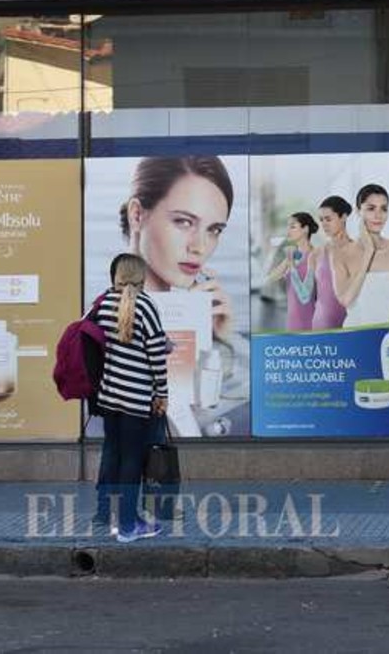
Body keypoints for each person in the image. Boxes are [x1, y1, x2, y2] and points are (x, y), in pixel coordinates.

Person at [118, 156, 246, 431]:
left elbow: (208, 420)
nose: (199, 246)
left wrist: (221, 342)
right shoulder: (103, 319)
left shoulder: (203, 325)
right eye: (184, 222)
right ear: (137, 215)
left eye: (214, 230)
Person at [93, 253, 171, 543]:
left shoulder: (103, 304)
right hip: (137, 400)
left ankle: (111, 515)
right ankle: (128, 525)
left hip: (109, 397)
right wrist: (161, 393)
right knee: (132, 462)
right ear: (142, 276)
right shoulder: (146, 305)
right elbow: (155, 358)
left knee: (114, 454)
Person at [331, 183, 389, 327]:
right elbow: (346, 300)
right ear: (359, 211)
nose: (378, 215)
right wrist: (368, 252)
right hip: (358, 338)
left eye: (384, 209)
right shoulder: (342, 255)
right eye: (371, 208)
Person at [267, 211, 319, 331]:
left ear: (305, 229)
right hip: (292, 320)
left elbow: (305, 296)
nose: (288, 231)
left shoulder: (314, 255)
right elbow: (271, 278)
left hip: (309, 319)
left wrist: (291, 266)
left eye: (293, 227)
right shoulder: (293, 256)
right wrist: (286, 260)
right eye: (288, 227)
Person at [311, 195, 353, 330]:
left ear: (344, 217)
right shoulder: (316, 254)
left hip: (351, 323)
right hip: (321, 324)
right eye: (321, 220)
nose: (323, 224)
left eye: (328, 219)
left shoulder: (359, 252)